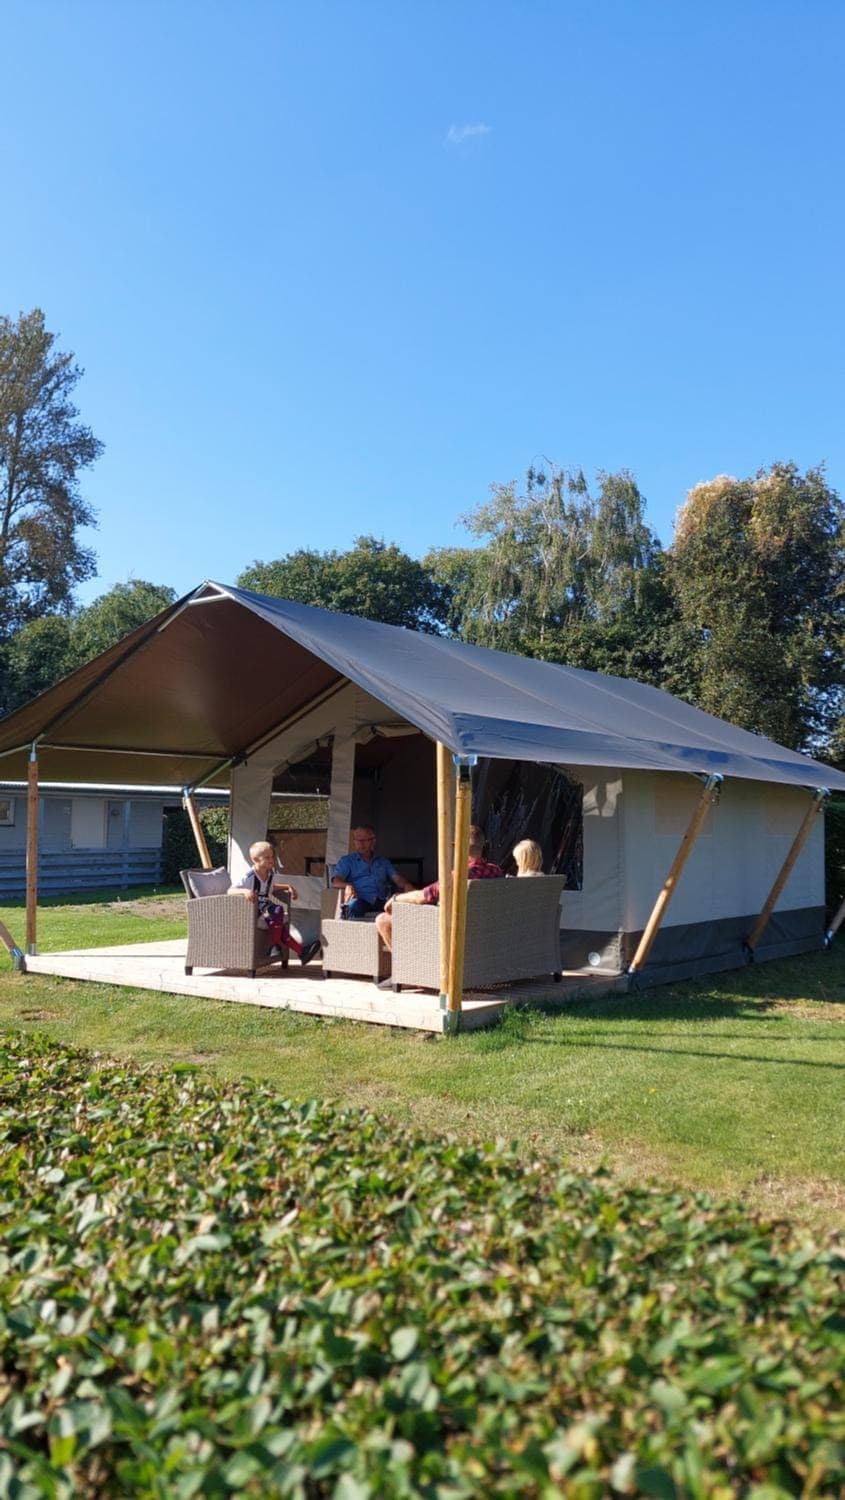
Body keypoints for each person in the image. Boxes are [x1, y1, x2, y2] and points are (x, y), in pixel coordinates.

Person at [374, 825, 503, 955]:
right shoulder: (495, 871)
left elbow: (424, 896)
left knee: (383, 920)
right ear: (482, 846)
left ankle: (405, 961)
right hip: (482, 933)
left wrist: (396, 898)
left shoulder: (458, 876)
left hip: (450, 933)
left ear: (459, 848)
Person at [231, 840, 321, 967]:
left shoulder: (269, 875)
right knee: (277, 911)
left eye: (272, 856)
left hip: (265, 909)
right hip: (253, 910)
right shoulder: (249, 877)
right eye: (267, 857)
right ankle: (283, 947)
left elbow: (270, 888)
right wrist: (245, 891)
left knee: (277, 918)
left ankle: (292, 950)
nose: (271, 860)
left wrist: (287, 886)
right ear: (255, 860)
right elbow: (230, 890)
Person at [331, 825, 414, 919]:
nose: (361, 843)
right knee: (353, 905)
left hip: (382, 901)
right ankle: (354, 928)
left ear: (373, 841)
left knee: (403, 906)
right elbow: (336, 882)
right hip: (361, 899)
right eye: (358, 840)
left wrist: (406, 884)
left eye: (364, 840)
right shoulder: (347, 861)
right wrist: (348, 885)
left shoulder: (382, 861)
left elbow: (397, 878)